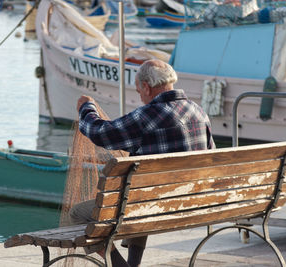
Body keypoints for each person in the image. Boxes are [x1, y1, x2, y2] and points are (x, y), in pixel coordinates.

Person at [70, 59, 216, 267]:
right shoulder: (198, 112)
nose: (140, 97)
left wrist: (87, 107)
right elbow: (211, 156)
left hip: (152, 206)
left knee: (79, 213)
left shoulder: (148, 116)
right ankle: (133, 264)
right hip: (192, 203)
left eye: (139, 91)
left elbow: (100, 133)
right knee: (139, 196)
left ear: (146, 87)